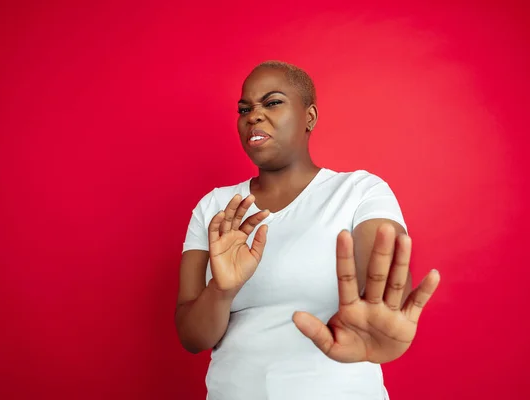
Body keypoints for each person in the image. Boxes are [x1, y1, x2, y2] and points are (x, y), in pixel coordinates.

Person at [175, 60, 440, 400]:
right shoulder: (215, 207)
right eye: (245, 109)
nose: (253, 115)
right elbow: (192, 338)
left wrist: (381, 322)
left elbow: (380, 290)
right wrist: (222, 290)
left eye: (272, 102)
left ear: (309, 117)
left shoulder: (359, 191)